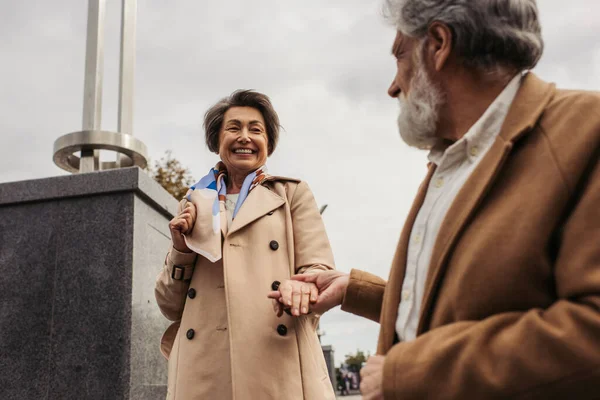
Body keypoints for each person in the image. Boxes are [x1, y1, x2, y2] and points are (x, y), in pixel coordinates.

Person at [272, 1, 600, 399]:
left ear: (440, 44)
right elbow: (470, 307)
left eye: (400, 55)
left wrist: (408, 374)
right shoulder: (454, 159)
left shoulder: (587, 130)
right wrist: (353, 290)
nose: (393, 86)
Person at [155, 90, 336, 400]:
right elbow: (170, 306)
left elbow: (318, 268)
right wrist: (181, 250)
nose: (245, 137)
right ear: (217, 139)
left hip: (278, 359)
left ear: (268, 142)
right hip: (204, 371)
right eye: (234, 128)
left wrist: (302, 288)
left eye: (256, 129)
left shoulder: (292, 193)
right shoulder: (194, 201)